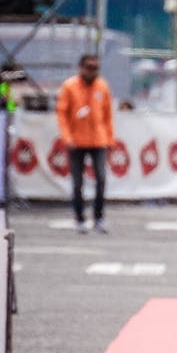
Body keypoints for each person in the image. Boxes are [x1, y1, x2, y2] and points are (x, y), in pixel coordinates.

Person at [56, 54, 114, 234]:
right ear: (81, 68)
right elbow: (62, 114)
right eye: (89, 68)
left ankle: (99, 217)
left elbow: (107, 115)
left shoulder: (102, 86)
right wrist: (67, 138)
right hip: (76, 141)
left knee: (101, 179)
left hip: (98, 140)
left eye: (95, 68)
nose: (92, 72)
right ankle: (80, 218)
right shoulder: (69, 86)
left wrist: (110, 139)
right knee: (77, 182)